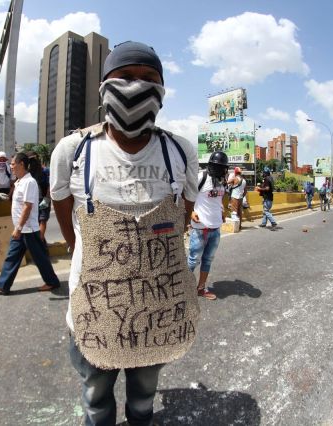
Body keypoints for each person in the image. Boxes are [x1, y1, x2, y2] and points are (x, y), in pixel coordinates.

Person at [50, 41, 199, 426]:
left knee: (144, 401)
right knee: (95, 400)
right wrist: (82, 246)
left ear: (163, 91)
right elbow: (64, 212)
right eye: (125, 77)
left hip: (159, 311)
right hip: (94, 310)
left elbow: (182, 218)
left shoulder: (180, 151)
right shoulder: (73, 150)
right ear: (104, 87)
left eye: (149, 79)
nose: (137, 87)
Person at [0, 153, 60, 294]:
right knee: (12, 257)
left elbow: (28, 207)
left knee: (40, 258)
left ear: (21, 164)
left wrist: (19, 227)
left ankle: (52, 282)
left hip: (28, 229)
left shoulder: (29, 182)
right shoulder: (20, 181)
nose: (11, 166)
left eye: (13, 164)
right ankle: (3, 284)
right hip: (21, 229)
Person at [189, 151, 230, 301]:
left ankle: (201, 288)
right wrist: (190, 212)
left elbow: (219, 199)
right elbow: (185, 194)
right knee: (193, 260)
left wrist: (221, 210)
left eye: (222, 167)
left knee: (207, 260)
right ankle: (182, 288)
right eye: (217, 166)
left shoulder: (222, 181)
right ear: (211, 165)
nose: (220, 170)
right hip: (200, 229)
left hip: (215, 228)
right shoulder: (201, 177)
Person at [26, 151, 52, 242]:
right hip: (33, 200)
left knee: (41, 220)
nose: (33, 162)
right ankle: (40, 242)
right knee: (39, 221)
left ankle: (40, 241)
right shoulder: (27, 173)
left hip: (42, 198)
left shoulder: (45, 171)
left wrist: (47, 198)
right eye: (31, 160)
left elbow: (50, 185)